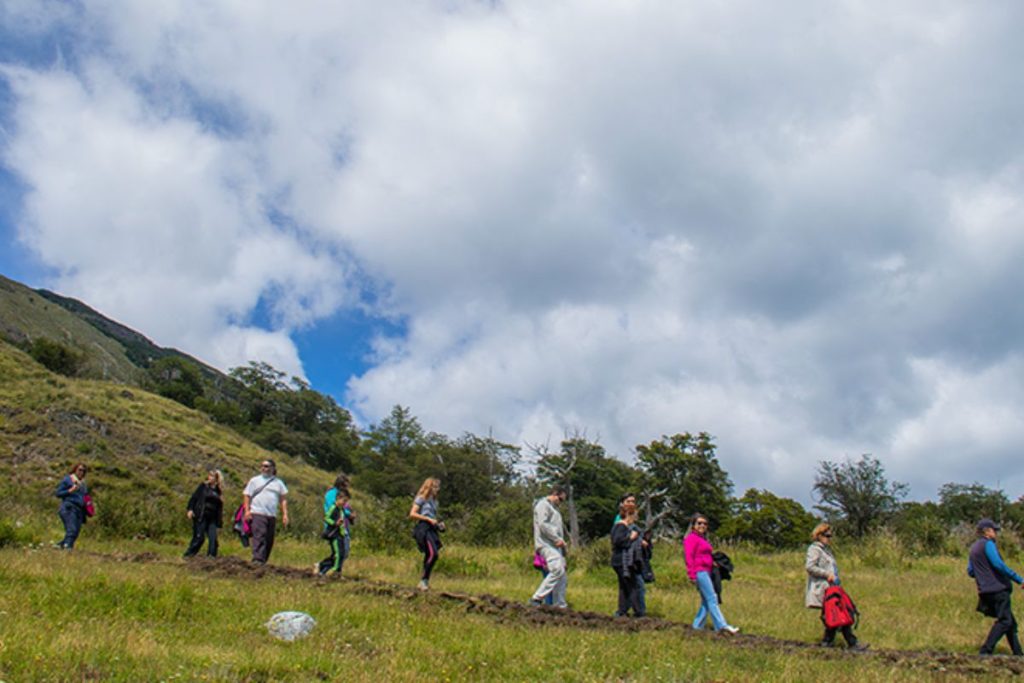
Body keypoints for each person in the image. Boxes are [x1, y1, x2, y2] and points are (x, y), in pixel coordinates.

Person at [968, 518, 1024, 655]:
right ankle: (986, 650)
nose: (996, 534)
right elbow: (998, 564)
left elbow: (970, 571)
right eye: (994, 530)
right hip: (998, 589)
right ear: (987, 532)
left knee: (1010, 623)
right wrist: (1019, 579)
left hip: (984, 590)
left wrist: (983, 576)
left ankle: (1018, 654)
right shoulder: (988, 544)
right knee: (1004, 621)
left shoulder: (973, 548)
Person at [805, 523, 864, 650]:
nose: (829, 538)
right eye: (827, 535)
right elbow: (810, 567)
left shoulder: (826, 550)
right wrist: (827, 574)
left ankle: (828, 642)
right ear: (819, 535)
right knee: (836, 613)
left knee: (835, 613)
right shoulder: (814, 549)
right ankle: (851, 643)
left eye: (830, 536)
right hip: (823, 588)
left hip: (832, 587)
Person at [684, 513, 739, 635]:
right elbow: (689, 557)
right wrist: (691, 574)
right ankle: (721, 626)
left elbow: (705, 554)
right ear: (693, 525)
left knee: (706, 601)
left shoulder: (702, 539)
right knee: (712, 598)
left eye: (705, 523)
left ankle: (696, 627)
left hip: (707, 571)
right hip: (700, 571)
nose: (702, 525)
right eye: (699, 523)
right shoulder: (691, 539)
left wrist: (713, 563)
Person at [243, 459, 289, 564]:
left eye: (267, 466)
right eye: (263, 466)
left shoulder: (278, 483)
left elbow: (283, 499)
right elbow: (247, 495)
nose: (264, 468)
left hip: (271, 514)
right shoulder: (254, 481)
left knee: (269, 539)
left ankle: (263, 560)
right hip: (257, 512)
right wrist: (247, 511)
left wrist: (285, 514)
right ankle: (257, 559)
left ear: (273, 468)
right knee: (260, 535)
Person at [530, 485, 568, 608]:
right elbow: (543, 525)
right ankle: (537, 598)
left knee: (562, 575)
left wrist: (562, 552)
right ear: (555, 494)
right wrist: (556, 539)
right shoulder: (543, 505)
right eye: (560, 499)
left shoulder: (554, 509)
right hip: (546, 544)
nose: (561, 502)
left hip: (555, 546)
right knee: (556, 570)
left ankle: (560, 604)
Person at [612, 493, 648, 615]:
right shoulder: (621, 525)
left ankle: (621, 612)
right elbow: (617, 542)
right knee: (633, 587)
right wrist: (632, 538)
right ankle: (639, 613)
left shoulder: (629, 526)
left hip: (624, 561)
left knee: (625, 588)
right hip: (621, 561)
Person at [410, 477, 444, 591]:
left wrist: (438, 524)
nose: (437, 489)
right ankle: (423, 580)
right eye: (435, 487)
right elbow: (412, 514)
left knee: (431, 555)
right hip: (423, 527)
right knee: (433, 554)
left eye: (438, 487)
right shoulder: (422, 499)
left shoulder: (435, 502)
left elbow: (433, 517)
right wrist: (428, 519)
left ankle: (425, 580)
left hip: (432, 529)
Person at [318, 475, 355, 576]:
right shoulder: (332, 494)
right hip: (334, 528)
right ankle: (325, 568)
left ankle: (325, 569)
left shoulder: (341, 494)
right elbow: (335, 509)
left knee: (343, 552)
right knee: (339, 552)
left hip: (343, 527)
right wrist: (348, 514)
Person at [184, 469, 224, 558]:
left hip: (212, 518)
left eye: (212, 476)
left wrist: (220, 521)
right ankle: (188, 555)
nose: (210, 478)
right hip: (201, 515)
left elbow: (219, 507)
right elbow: (194, 498)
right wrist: (190, 509)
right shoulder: (203, 486)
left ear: (217, 478)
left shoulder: (218, 491)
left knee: (213, 539)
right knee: (199, 537)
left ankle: (211, 557)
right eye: (209, 475)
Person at [54, 463, 89, 549]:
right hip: (69, 507)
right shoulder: (68, 480)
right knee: (71, 530)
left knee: (75, 532)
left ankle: (60, 546)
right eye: (80, 470)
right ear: (75, 470)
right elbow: (58, 493)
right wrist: (70, 491)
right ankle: (68, 549)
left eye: (84, 471)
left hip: (79, 510)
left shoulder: (83, 484)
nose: (81, 472)